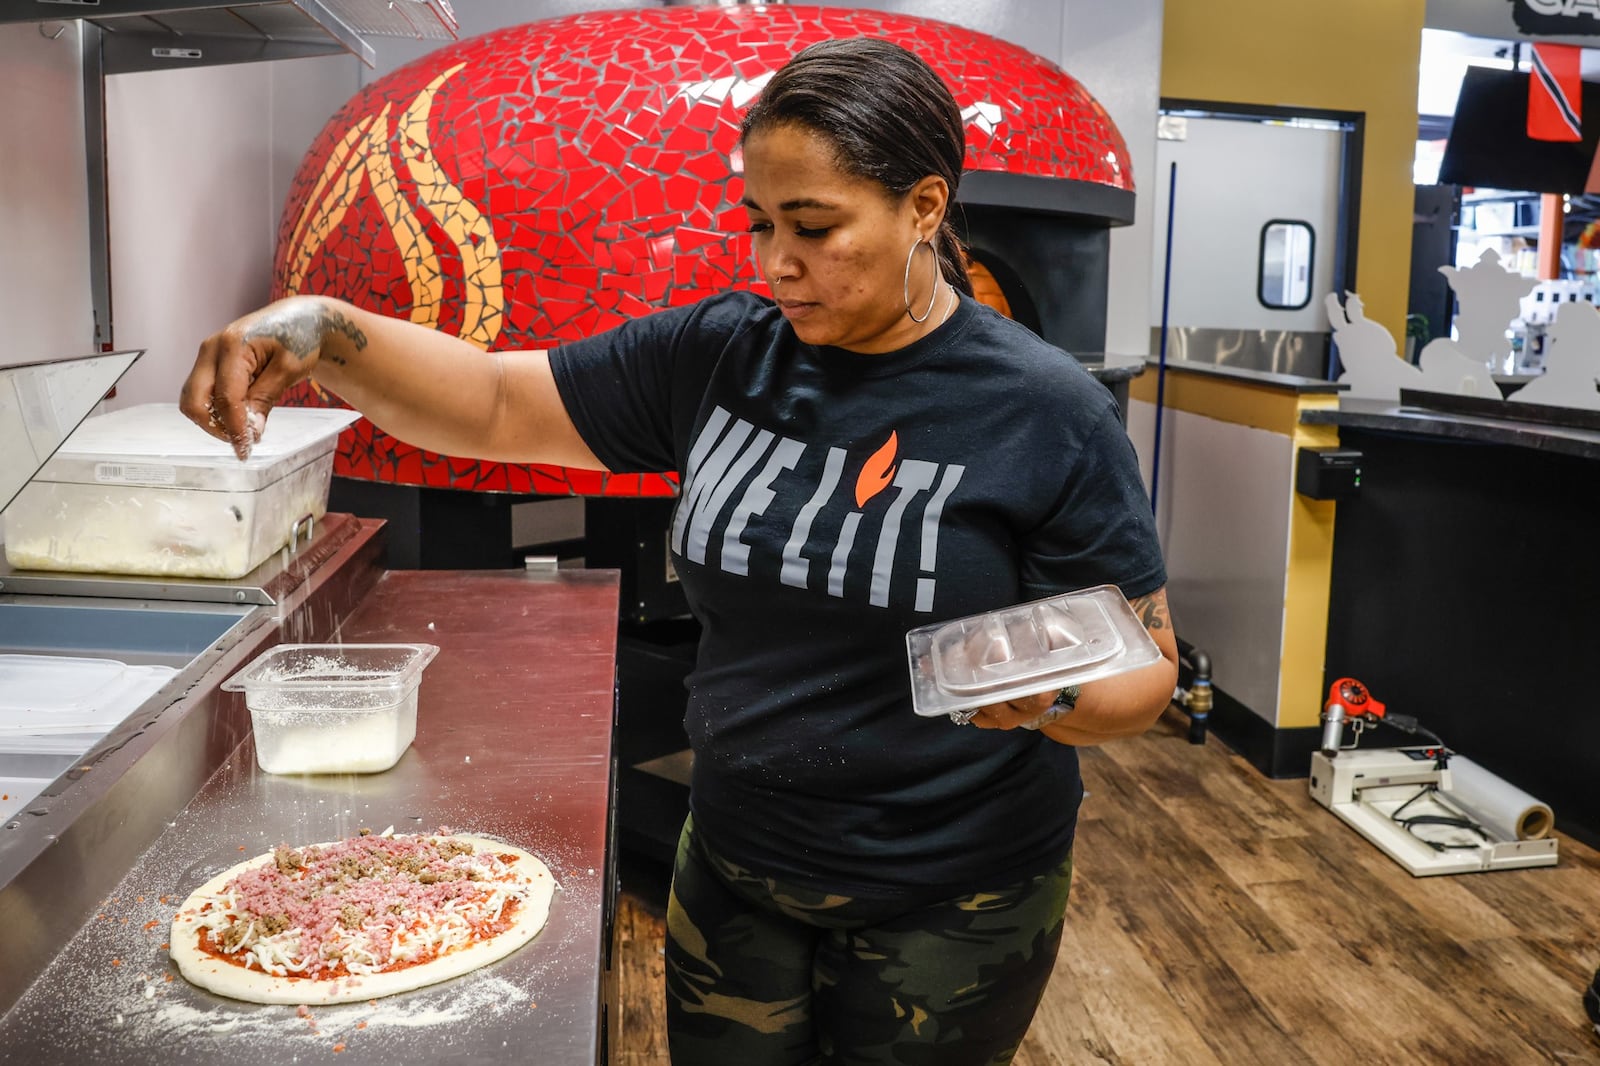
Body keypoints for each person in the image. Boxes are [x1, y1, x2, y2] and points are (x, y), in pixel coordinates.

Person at [181, 36, 1177, 1066]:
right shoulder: (722, 354)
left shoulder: (1043, 409)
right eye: (759, 223)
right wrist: (326, 332)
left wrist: (1049, 695)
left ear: (924, 207)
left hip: (949, 891)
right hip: (738, 861)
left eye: (814, 226)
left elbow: (1144, 664)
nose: (774, 262)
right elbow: (491, 398)